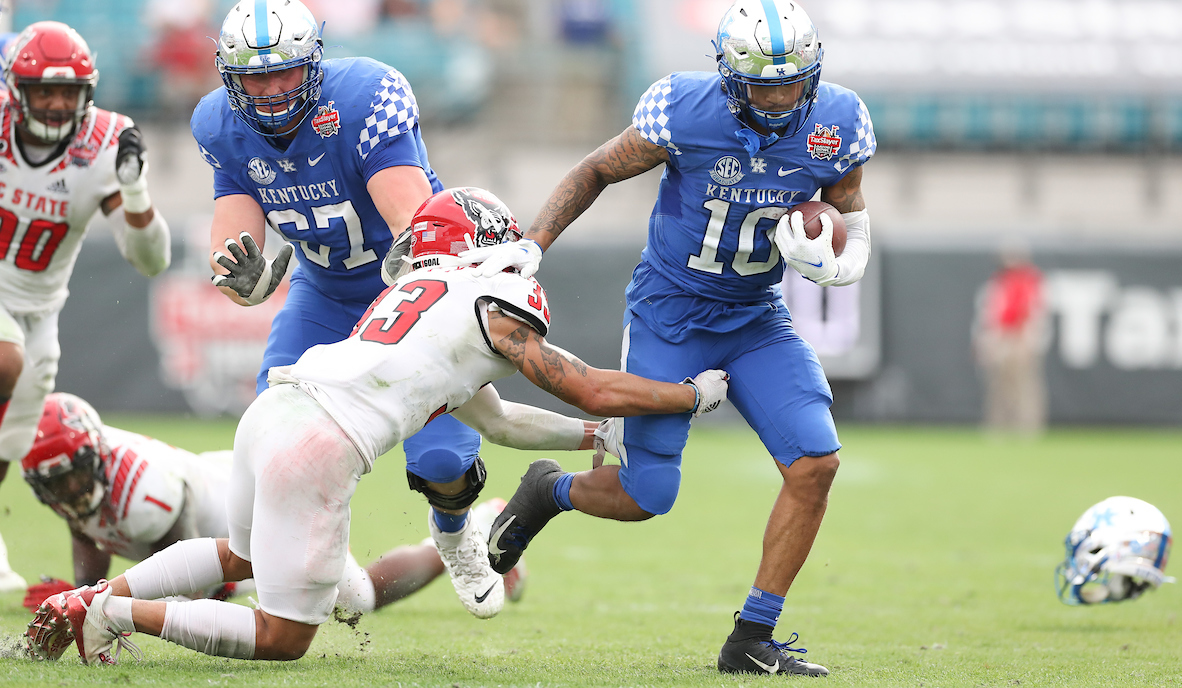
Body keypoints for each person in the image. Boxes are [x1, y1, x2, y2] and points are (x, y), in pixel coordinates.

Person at [22, 186, 730, 665]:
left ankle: (98, 599)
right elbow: (585, 384)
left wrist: (592, 439)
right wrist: (684, 396)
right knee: (282, 638)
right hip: (319, 443)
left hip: (274, 412)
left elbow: (501, 420)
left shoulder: (423, 300)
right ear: (486, 242)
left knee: (237, 557)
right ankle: (110, 615)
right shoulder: (493, 296)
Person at [468, 0, 877, 677]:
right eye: (762, 88)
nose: (780, 102)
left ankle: (751, 637)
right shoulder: (683, 110)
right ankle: (549, 489)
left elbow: (852, 213)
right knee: (646, 495)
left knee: (815, 464)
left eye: (791, 86)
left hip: (755, 319)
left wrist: (843, 262)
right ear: (728, 76)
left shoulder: (840, 118)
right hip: (672, 313)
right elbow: (597, 168)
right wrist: (533, 246)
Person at [193, 0, 565, 621]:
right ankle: (302, 567)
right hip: (324, 293)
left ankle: (453, 535)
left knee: (445, 458)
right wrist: (242, 277)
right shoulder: (217, 124)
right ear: (230, 78)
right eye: (254, 77)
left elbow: (414, 231)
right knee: (273, 440)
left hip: (417, 285)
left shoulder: (364, 95)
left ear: (312, 61)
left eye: (283, 70)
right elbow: (234, 262)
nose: (271, 90)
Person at [18, 392, 523, 616]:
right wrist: (84, 594)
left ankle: (479, 526)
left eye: (71, 478)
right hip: (232, 527)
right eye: (54, 486)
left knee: (359, 598)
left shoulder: (146, 492)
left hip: (260, 512)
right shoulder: (86, 477)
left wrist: (96, 605)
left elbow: (186, 582)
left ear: (94, 456)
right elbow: (85, 523)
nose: (68, 494)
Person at [0, 21, 171, 593]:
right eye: (42, 91)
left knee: (10, 443)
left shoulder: (105, 144)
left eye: (67, 93)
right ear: (16, 91)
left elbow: (151, 261)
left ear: (86, 94)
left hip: (41, 308)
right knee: (6, 363)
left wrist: (137, 193)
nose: (54, 104)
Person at [972, 242, 1047, 436]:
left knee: (1023, 386)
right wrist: (987, 340)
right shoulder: (999, 282)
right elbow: (991, 315)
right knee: (998, 386)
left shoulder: (1028, 281)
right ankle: (998, 426)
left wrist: (1023, 340)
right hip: (1001, 339)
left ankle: (1027, 428)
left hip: (1017, 339)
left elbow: (1029, 312)